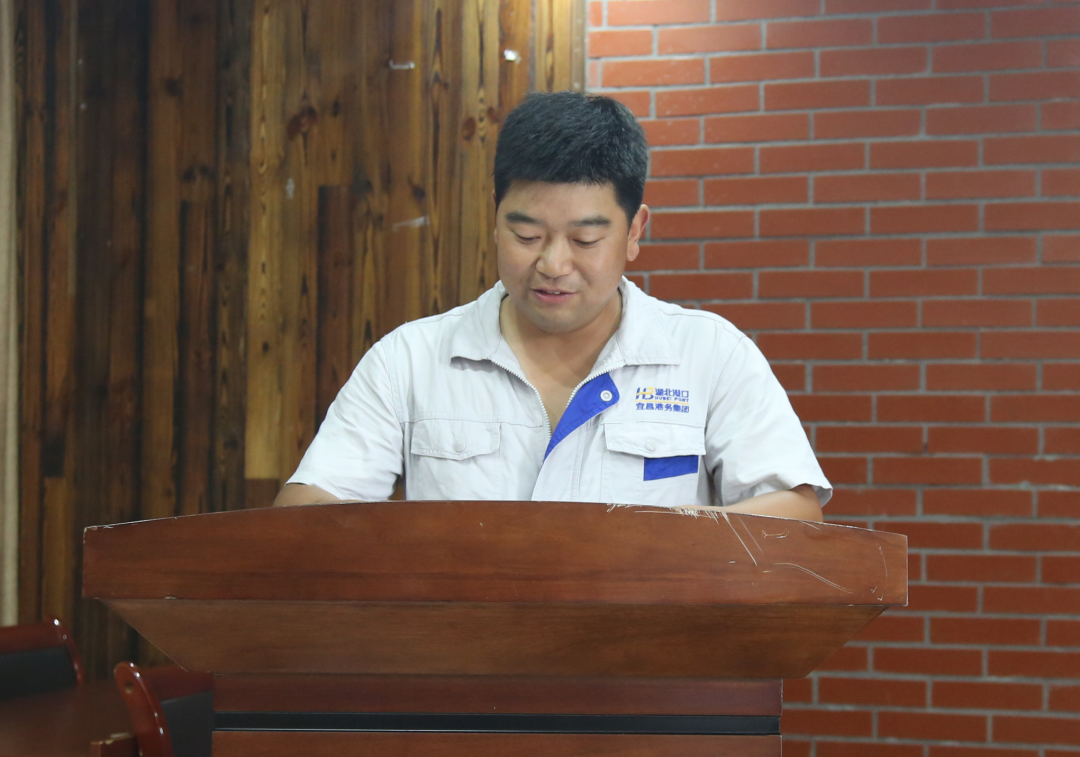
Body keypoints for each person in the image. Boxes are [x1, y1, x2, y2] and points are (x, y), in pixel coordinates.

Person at [276, 91, 829, 519]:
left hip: (647, 636)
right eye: (527, 236)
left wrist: (652, 545)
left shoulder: (710, 354)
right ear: (496, 216)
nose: (553, 264)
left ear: (634, 231)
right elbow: (306, 510)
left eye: (585, 240)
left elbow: (795, 511)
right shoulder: (411, 358)